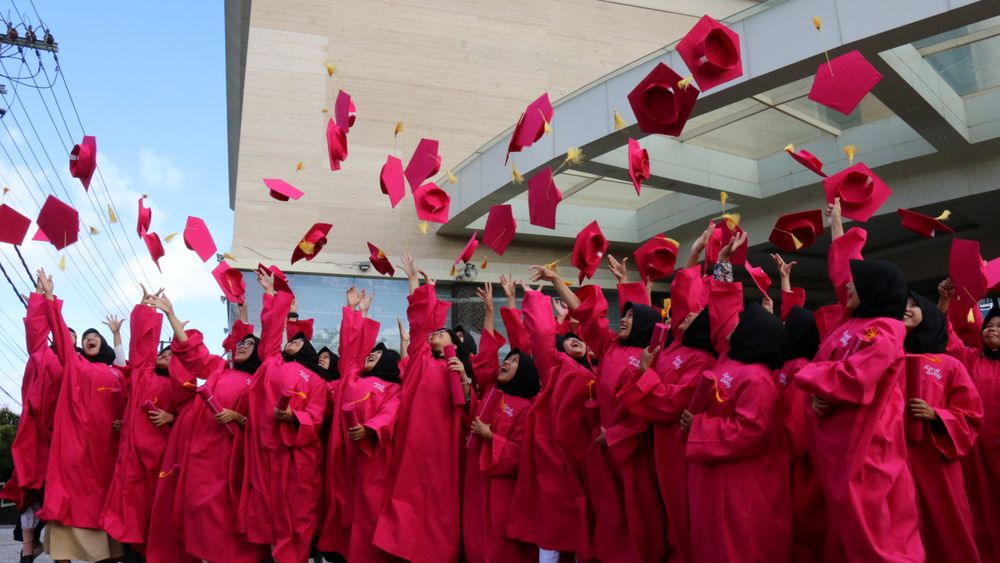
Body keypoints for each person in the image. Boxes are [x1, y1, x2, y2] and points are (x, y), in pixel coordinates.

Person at [793, 199, 924, 561]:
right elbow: (845, 277)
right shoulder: (850, 322)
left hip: (869, 449)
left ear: (874, 290)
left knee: (878, 532)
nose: (847, 288)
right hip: (840, 446)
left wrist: (809, 377)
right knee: (849, 531)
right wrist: (837, 226)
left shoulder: (884, 329)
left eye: (856, 284)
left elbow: (855, 376)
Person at [529, 258, 667, 563]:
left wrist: (617, 434)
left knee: (634, 521)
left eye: (631, 316)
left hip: (632, 454)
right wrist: (554, 279)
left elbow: (651, 404)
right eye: (624, 314)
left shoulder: (650, 356)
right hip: (601, 451)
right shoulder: (611, 346)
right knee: (603, 520)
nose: (624, 319)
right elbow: (587, 314)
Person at [677, 233, 791, 563]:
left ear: (755, 335)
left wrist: (699, 425)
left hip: (742, 486)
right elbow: (725, 309)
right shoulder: (731, 357)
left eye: (744, 324)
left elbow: (750, 431)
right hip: (716, 480)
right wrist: (723, 262)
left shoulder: (758, 378)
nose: (734, 326)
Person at [143, 296, 263, 563]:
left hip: (234, 463)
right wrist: (172, 316)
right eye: (241, 343)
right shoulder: (220, 369)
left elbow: (263, 423)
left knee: (226, 529)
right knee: (196, 524)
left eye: (250, 345)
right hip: (201, 460)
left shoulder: (260, 381)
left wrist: (239, 418)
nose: (243, 347)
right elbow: (194, 353)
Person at [617, 259, 717, 562]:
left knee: (684, 518)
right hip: (659, 447)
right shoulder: (673, 348)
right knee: (665, 515)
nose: (682, 317)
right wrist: (693, 256)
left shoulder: (701, 359)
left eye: (691, 315)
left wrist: (646, 373)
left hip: (680, 448)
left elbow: (672, 401)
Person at [373, 253, 467, 563]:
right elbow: (420, 327)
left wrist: (465, 379)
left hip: (444, 454)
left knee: (440, 519)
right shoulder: (421, 362)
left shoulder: (456, 370)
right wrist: (416, 282)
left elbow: (468, 410)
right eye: (436, 333)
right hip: (414, 449)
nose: (437, 334)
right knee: (407, 514)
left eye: (444, 334)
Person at [34, 268, 125, 562]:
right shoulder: (75, 365)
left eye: (94, 336)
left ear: (104, 345)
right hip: (74, 451)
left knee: (104, 512)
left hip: (106, 455)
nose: (89, 338)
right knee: (66, 506)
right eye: (86, 337)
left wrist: (126, 422)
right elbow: (60, 334)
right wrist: (48, 295)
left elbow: (133, 391)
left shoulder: (117, 373)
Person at [238, 268, 327, 563]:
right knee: (263, 520)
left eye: (300, 342)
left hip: (297, 460)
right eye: (293, 339)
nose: (294, 341)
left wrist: (293, 418)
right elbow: (272, 332)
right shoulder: (272, 362)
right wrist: (270, 294)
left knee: (297, 521)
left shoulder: (316, 381)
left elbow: (315, 417)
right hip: (265, 453)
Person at [508, 280, 598, 562]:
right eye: (571, 340)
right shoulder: (556, 367)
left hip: (588, 459)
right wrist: (534, 297)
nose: (578, 341)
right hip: (557, 461)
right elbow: (543, 335)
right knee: (553, 534)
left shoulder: (599, 372)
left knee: (588, 530)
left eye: (581, 340)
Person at [317, 287, 403, 563]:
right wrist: (357, 312)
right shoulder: (351, 377)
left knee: (367, 514)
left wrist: (371, 427)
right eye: (371, 354)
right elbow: (352, 348)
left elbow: (392, 413)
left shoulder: (392, 388)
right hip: (342, 456)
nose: (370, 357)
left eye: (376, 355)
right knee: (340, 511)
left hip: (371, 460)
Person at [101, 287, 184, 558]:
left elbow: (192, 414)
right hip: (133, 460)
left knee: (155, 518)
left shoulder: (180, 385)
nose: (165, 355)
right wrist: (147, 309)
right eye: (164, 352)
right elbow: (142, 346)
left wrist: (172, 416)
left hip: (160, 459)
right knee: (130, 517)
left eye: (172, 355)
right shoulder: (143, 375)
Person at [902, 291, 982, 562]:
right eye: (904, 304)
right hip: (899, 460)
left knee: (947, 531)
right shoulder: (889, 356)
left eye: (915, 305)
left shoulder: (950, 365)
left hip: (937, 462)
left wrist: (937, 415)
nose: (907, 309)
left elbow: (970, 414)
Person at [463, 282, 540, 563]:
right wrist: (489, 310)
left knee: (500, 545)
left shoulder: (528, 407)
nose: (507, 362)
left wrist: (489, 436)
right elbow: (485, 357)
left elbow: (522, 453)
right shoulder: (492, 390)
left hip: (503, 490)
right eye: (507, 358)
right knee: (474, 540)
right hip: (476, 480)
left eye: (516, 361)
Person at [0, 277, 69, 562]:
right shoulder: (43, 358)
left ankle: (61, 553)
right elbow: (37, 335)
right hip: (35, 435)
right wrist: (41, 298)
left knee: (59, 494)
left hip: (62, 439)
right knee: (30, 489)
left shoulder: (76, 367)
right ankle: (28, 550)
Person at [938, 280, 1000, 561]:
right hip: (976, 453)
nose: (992, 329)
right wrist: (945, 302)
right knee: (981, 510)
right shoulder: (971, 358)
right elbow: (947, 338)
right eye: (989, 325)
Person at [770, 254, 826, 561]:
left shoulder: (802, 368)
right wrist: (784, 281)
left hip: (796, 469)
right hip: (780, 462)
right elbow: (791, 316)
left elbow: (795, 431)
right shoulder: (785, 363)